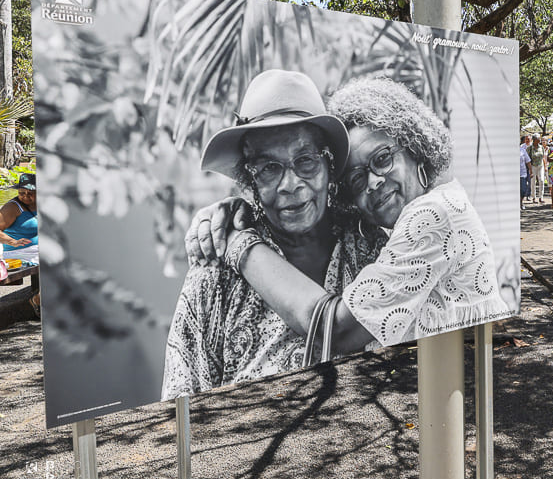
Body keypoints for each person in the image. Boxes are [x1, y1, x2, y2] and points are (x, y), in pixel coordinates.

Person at [185, 77, 511, 367]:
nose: (373, 183)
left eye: (382, 159)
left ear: (414, 146)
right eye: (356, 179)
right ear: (251, 180)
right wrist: (231, 213)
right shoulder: (211, 282)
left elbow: (333, 330)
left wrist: (239, 244)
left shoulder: (431, 216)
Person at [163, 70, 351, 399]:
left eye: (305, 161)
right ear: (250, 183)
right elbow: (180, 398)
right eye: (268, 168)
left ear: (329, 166)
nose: (290, 184)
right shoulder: (215, 272)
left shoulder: (369, 247)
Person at [0, 173, 38, 263]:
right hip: (16, 254)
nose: (25, 196)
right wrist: (13, 242)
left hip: (36, 251)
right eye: (21, 193)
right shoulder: (11, 207)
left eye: (30, 193)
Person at [528, 135, 544, 202]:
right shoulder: (530, 148)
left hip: (540, 165)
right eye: (538, 139)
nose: (540, 140)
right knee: (533, 182)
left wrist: (545, 166)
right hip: (533, 166)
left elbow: (543, 157)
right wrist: (529, 169)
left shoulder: (541, 147)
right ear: (534, 140)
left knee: (542, 180)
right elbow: (527, 158)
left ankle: (541, 197)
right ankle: (533, 197)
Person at [519, 136, 532, 209]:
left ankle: (520, 201)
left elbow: (528, 161)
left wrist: (531, 171)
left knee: (523, 190)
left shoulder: (522, 150)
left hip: (522, 173)